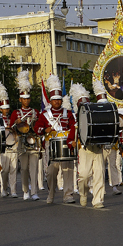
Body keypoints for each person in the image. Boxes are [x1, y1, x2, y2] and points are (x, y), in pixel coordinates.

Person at [34, 74, 76, 204]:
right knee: (51, 172)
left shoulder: (68, 113)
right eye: (54, 100)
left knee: (68, 170)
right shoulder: (44, 115)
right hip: (51, 147)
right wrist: (44, 130)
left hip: (66, 145)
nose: (57, 102)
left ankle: (68, 195)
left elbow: (74, 126)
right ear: (51, 101)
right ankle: (51, 193)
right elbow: (37, 128)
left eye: (59, 99)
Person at [73, 83, 105, 208]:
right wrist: (72, 142)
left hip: (97, 148)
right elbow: (72, 135)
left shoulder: (96, 117)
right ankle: (83, 193)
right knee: (84, 175)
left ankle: (98, 200)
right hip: (84, 150)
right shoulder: (76, 121)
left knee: (99, 174)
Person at [7, 71, 36, 199]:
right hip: (21, 143)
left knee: (34, 169)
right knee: (24, 169)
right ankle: (25, 190)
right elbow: (10, 129)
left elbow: (38, 127)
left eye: (28, 98)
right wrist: (15, 123)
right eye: (24, 99)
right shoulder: (16, 113)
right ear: (20, 100)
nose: (26, 100)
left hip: (33, 142)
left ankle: (34, 192)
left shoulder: (35, 112)